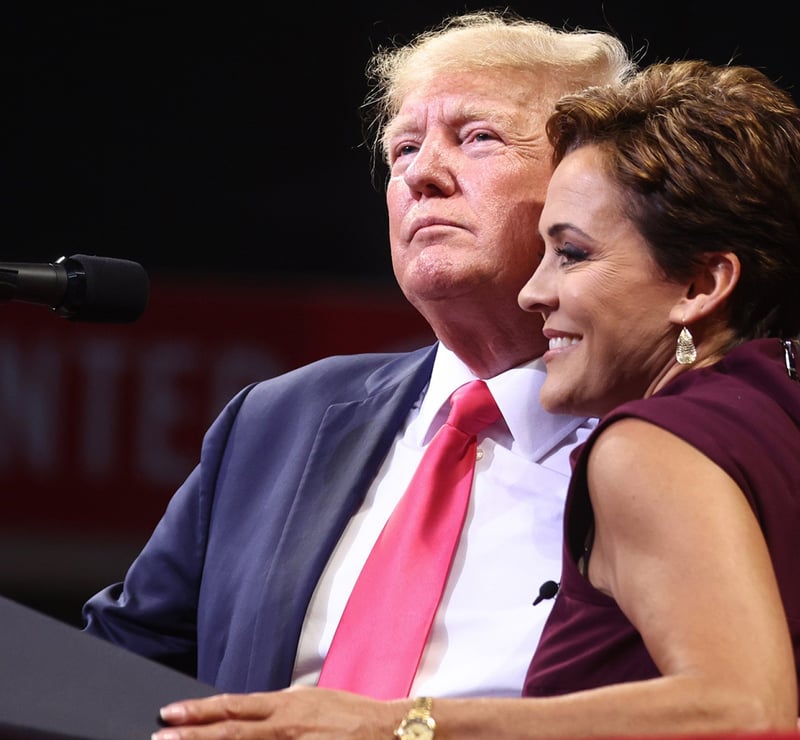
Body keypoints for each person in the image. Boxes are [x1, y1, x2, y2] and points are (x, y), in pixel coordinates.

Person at [150, 60, 800, 740]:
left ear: (701, 283)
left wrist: (393, 723)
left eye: (569, 254)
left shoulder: (649, 446)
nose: (537, 293)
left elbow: (738, 709)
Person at [82, 9, 633, 701]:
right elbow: (112, 671)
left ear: (589, 191)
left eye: (478, 137)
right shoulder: (277, 421)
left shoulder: (667, 435)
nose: (423, 174)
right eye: (402, 150)